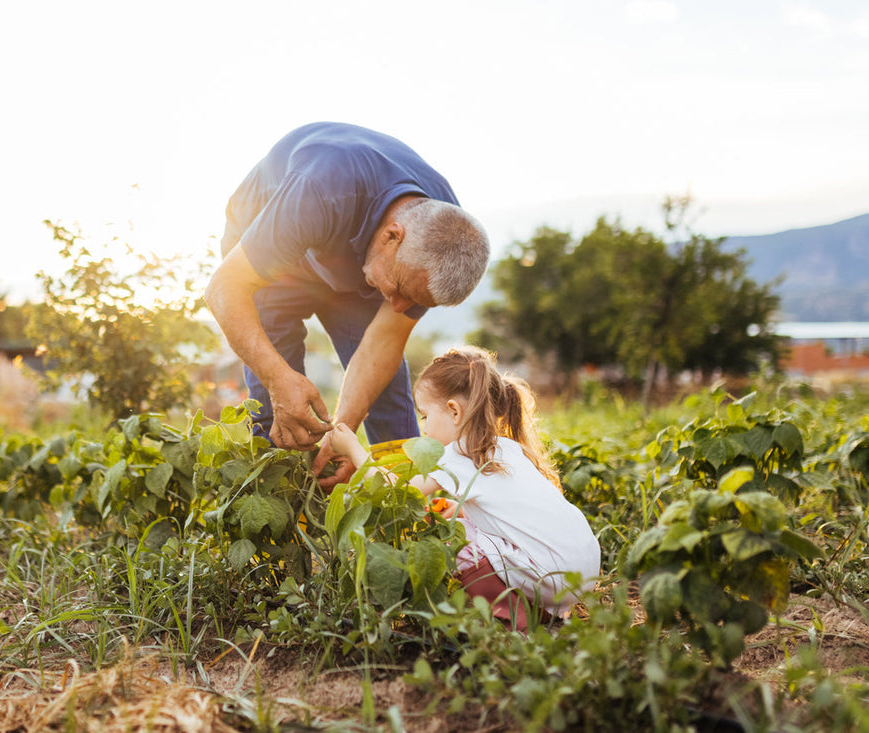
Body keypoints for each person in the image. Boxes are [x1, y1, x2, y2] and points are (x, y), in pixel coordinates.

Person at [205, 122, 490, 487]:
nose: (399, 305)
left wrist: (342, 438)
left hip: (353, 260)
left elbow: (381, 345)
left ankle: (400, 507)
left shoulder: (442, 239)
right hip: (269, 263)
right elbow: (222, 288)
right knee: (281, 410)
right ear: (392, 236)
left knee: (387, 396)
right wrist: (278, 379)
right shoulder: (321, 190)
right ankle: (283, 523)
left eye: (414, 301)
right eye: (401, 288)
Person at [330, 346, 602, 629]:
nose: (424, 429)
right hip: (582, 571)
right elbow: (509, 512)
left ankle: (512, 616)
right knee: (463, 526)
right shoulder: (507, 448)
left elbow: (393, 491)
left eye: (424, 416)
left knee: (452, 541)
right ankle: (545, 607)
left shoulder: (459, 454)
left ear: (454, 411)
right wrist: (462, 512)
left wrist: (352, 449)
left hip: (552, 576)